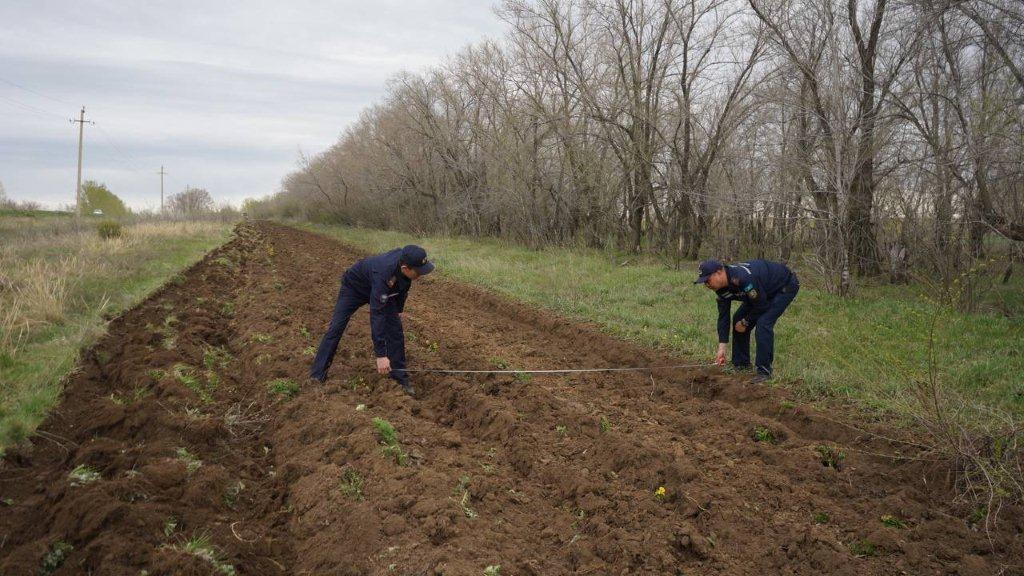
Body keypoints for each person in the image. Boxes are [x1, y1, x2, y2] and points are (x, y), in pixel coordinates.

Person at [309, 245, 434, 396]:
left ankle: (399, 378)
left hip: (381, 290)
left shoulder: (405, 263)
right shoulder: (384, 272)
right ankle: (317, 375)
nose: (421, 274)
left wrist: (398, 310)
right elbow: (377, 315)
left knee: (395, 330)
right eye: (419, 271)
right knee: (336, 328)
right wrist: (381, 355)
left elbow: (403, 287)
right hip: (354, 288)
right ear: (405, 267)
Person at [695, 259, 799, 383]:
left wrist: (746, 322)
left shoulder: (743, 278)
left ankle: (764, 372)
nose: (707, 284)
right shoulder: (720, 289)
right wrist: (721, 347)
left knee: (763, 323)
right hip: (760, 293)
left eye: (708, 280)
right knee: (738, 319)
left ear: (719, 272)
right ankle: (741, 364)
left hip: (783, 287)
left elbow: (762, 306)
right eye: (704, 282)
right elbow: (723, 317)